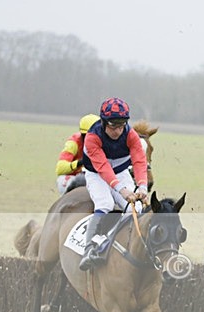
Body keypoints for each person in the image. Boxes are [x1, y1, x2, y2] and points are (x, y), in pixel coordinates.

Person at [79, 97, 150, 271]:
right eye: (113, 125)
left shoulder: (130, 135)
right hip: (96, 173)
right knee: (105, 204)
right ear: (103, 122)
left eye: (122, 125)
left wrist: (142, 187)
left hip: (120, 171)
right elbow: (103, 168)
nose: (118, 131)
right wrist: (122, 190)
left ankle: (122, 243)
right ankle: (88, 250)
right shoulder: (92, 137)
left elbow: (140, 161)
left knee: (136, 208)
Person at [55, 114, 100, 194]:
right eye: (87, 136)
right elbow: (60, 168)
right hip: (73, 177)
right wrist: (80, 162)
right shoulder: (73, 143)